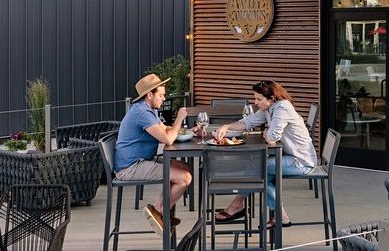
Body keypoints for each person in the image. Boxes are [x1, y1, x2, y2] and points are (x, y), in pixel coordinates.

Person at [212, 80, 317, 228]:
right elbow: (248, 122)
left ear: (272, 98)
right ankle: (280, 216)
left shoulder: (283, 108)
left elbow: (272, 138)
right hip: (288, 157)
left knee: (259, 167)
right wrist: (226, 127)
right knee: (259, 168)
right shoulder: (269, 108)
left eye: (259, 99)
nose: (256, 102)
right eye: (255, 98)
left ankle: (237, 205)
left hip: (301, 161)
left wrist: (267, 132)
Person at [115, 73, 193, 234]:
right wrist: (179, 118)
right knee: (184, 177)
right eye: (162, 95)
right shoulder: (142, 113)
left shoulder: (147, 109)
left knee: (184, 167)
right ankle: (158, 211)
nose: (164, 99)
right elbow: (167, 139)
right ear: (149, 95)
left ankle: (161, 211)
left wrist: (191, 131)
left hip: (142, 160)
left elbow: (166, 129)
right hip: (130, 168)